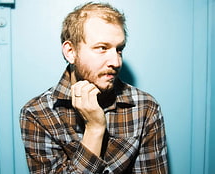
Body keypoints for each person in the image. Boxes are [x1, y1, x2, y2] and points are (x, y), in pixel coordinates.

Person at [20, 2, 168, 174]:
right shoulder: (37, 113)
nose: (116, 62)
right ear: (71, 52)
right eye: (102, 48)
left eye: (119, 49)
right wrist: (95, 129)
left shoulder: (145, 107)